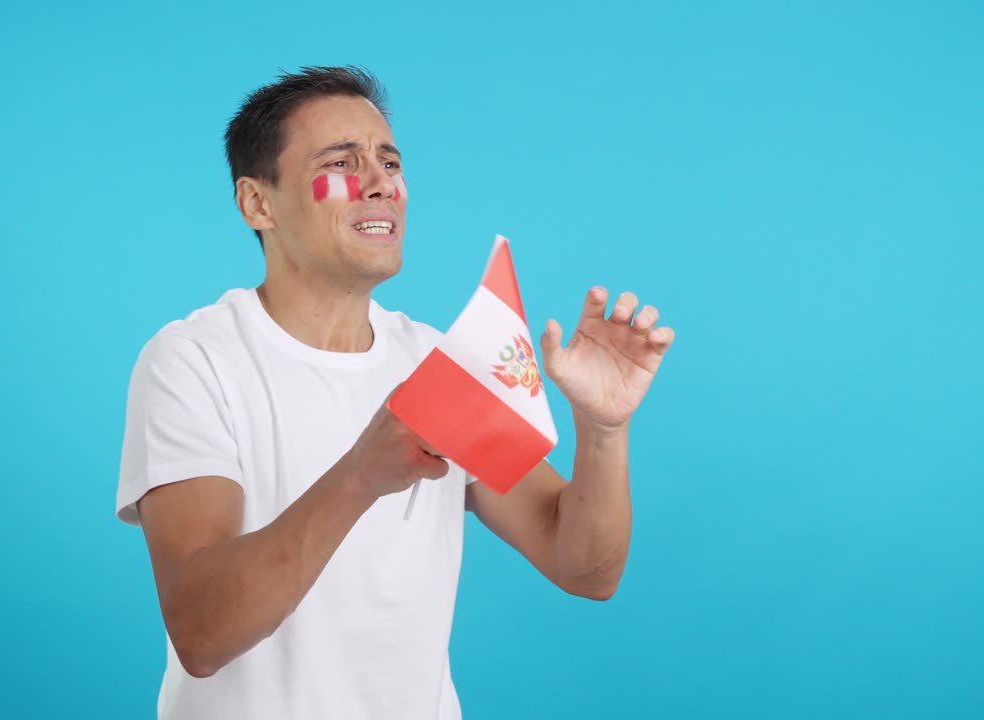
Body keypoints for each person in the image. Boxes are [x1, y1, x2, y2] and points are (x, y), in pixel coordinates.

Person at [116, 66, 675, 719]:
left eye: (390, 162)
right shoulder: (193, 361)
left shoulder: (444, 364)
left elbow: (585, 570)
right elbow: (202, 633)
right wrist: (362, 474)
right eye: (340, 163)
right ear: (257, 203)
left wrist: (603, 431)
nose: (382, 183)